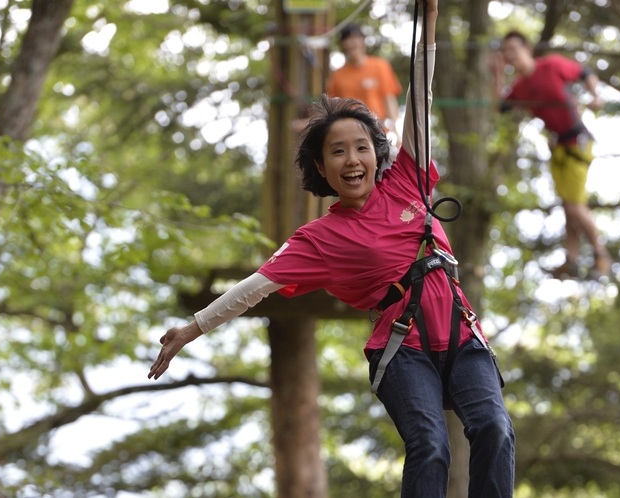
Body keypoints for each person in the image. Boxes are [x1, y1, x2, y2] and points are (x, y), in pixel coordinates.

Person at [149, 3, 515, 496]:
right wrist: (192, 327)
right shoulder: (319, 238)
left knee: (494, 427)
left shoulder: (406, 180)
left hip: (462, 335)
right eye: (337, 151)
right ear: (322, 169)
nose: (352, 159)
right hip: (403, 349)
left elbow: (420, 98)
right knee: (429, 443)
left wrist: (427, 22)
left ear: (377, 152)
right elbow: (255, 287)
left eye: (361, 147)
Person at [493, 30, 611, 279]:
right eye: (506, 52)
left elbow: (585, 73)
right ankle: (573, 260)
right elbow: (500, 106)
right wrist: (498, 73)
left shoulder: (552, 65)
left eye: (513, 49)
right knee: (568, 206)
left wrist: (595, 96)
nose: (510, 55)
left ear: (528, 49)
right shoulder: (520, 87)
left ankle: (601, 256)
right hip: (558, 147)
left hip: (577, 142)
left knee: (576, 206)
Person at [327, 23, 403, 146]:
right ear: (342, 45)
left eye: (356, 38)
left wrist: (396, 132)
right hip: (349, 134)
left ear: (363, 41)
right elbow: (332, 107)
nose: (352, 43)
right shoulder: (337, 75)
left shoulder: (380, 66)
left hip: (379, 132)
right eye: (347, 39)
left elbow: (389, 99)